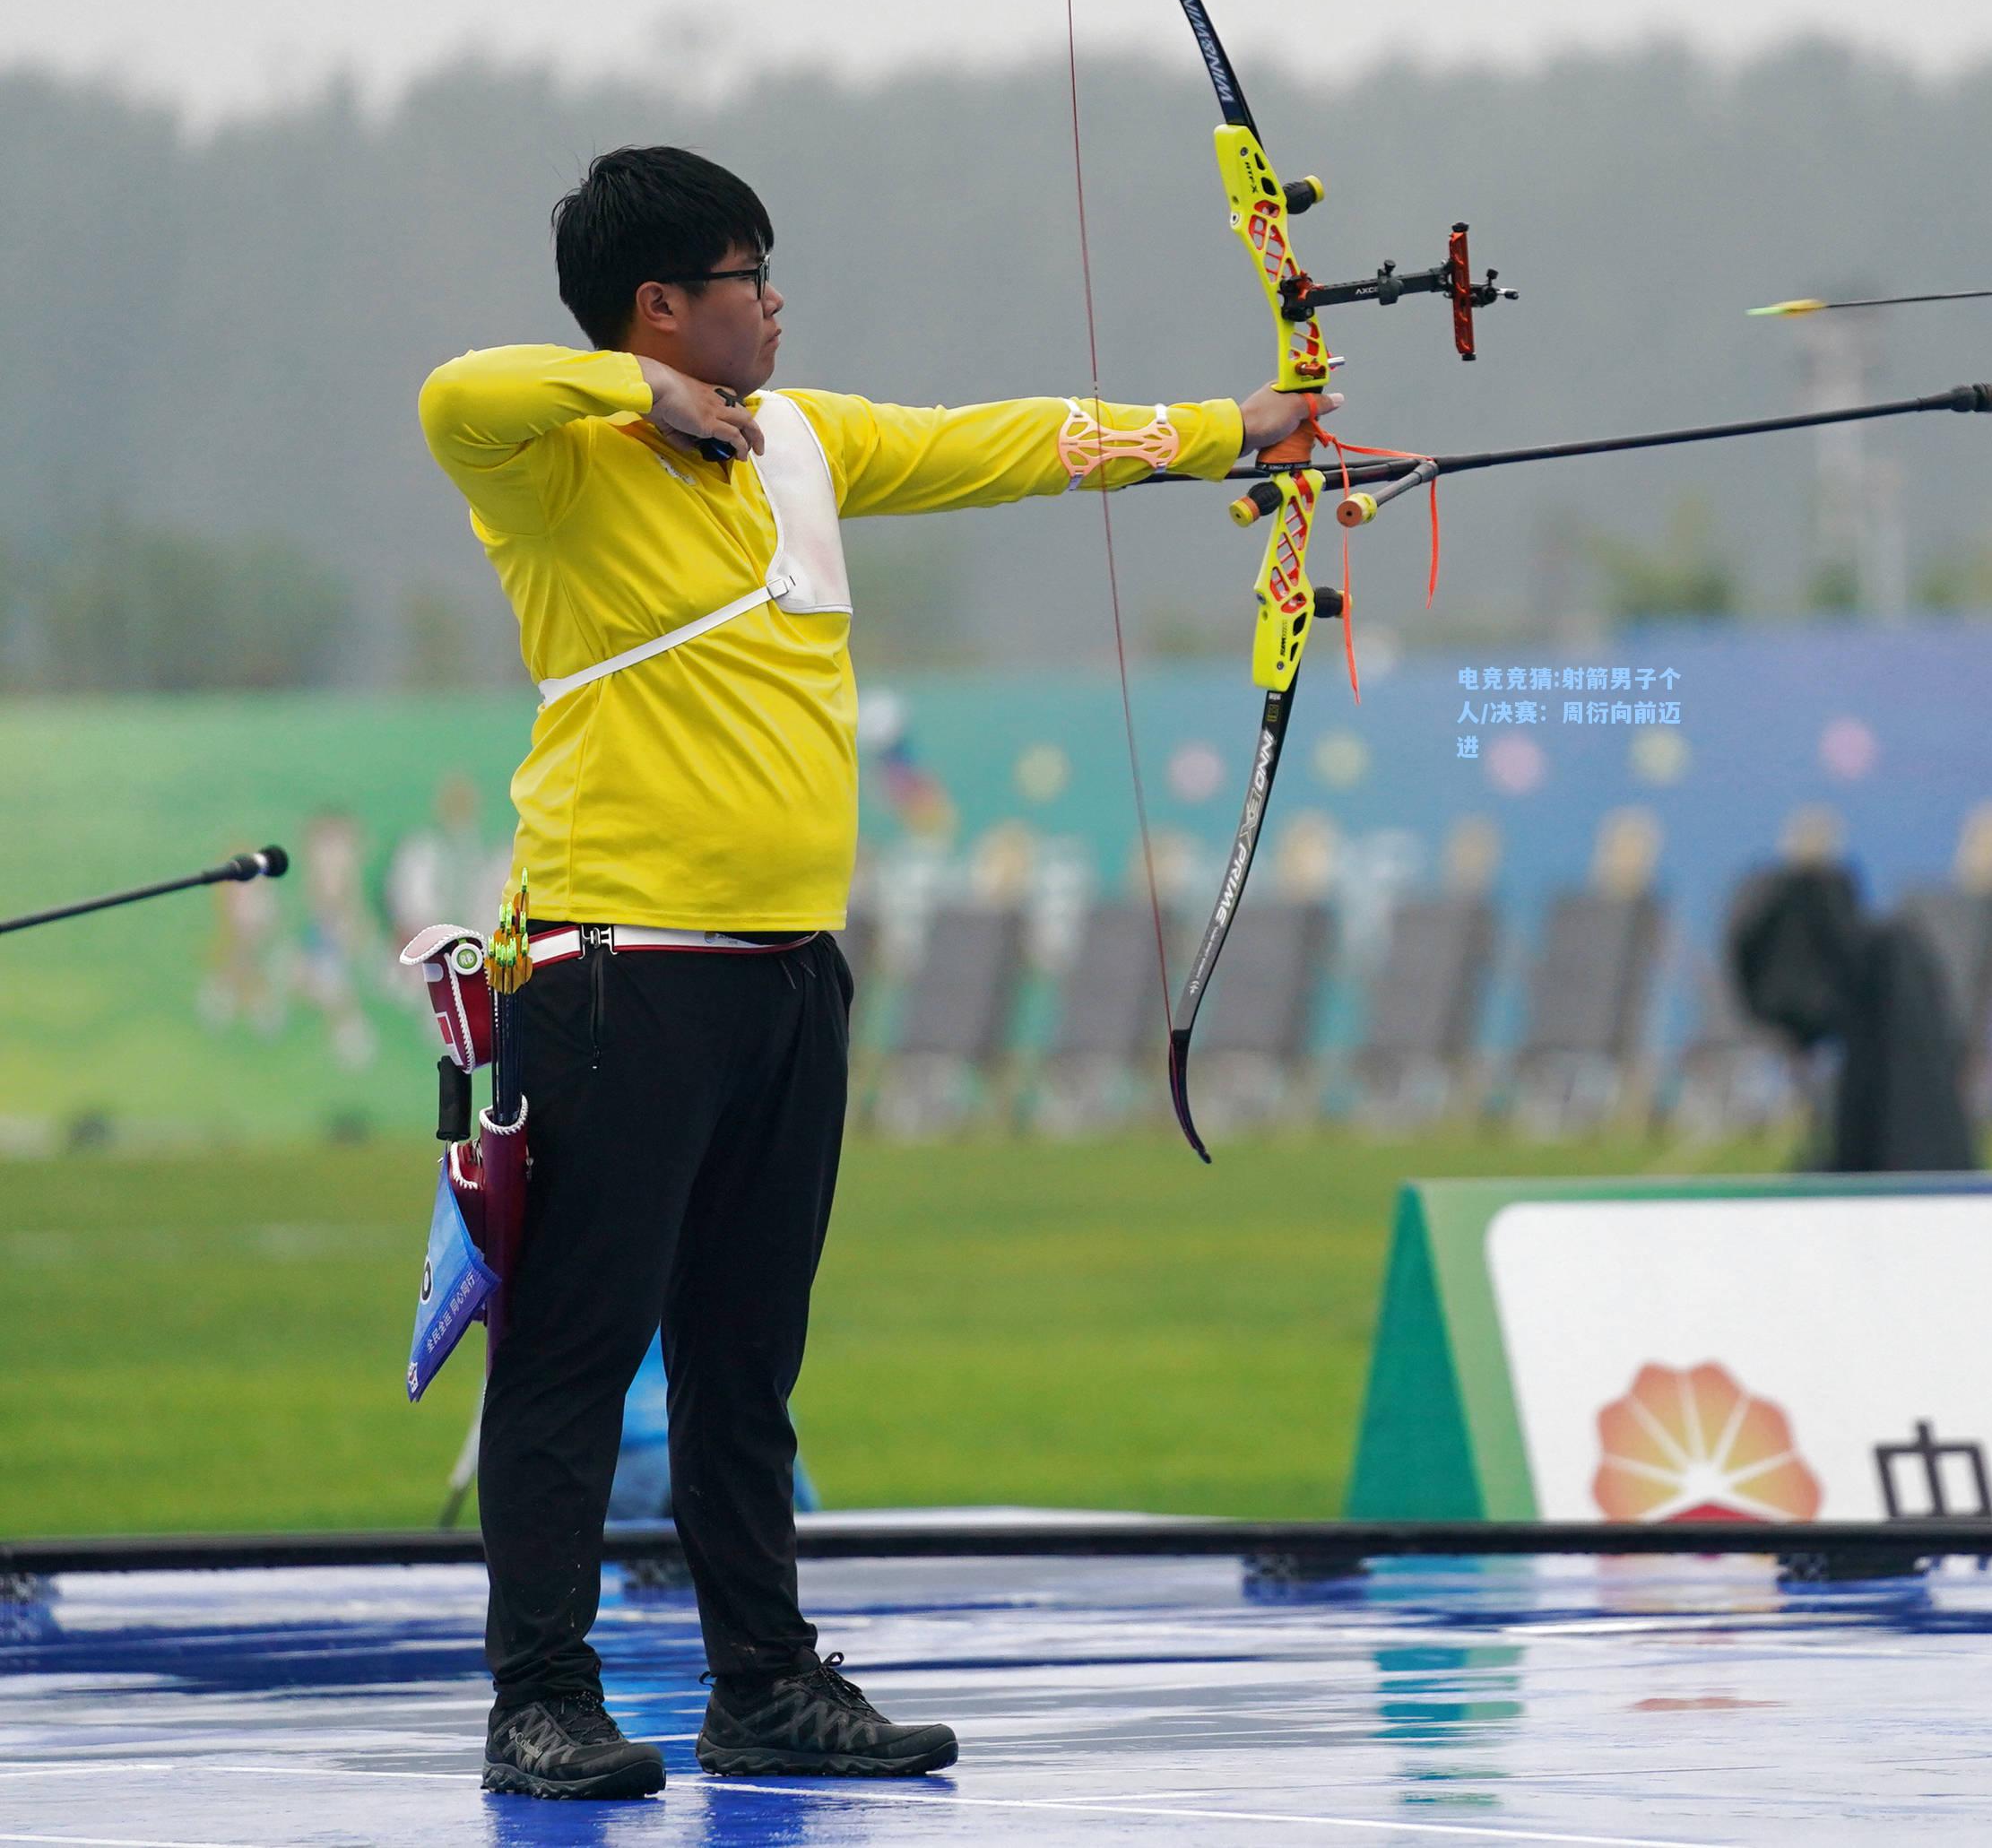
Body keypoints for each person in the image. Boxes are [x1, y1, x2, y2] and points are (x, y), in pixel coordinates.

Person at [420, 145, 1329, 1800]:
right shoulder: (554, 463)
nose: (775, 302)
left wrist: (1233, 432)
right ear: (661, 306)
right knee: (569, 1354)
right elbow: (453, 388)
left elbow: (1009, 443)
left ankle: (760, 1682)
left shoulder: (810, 443)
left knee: (746, 1361)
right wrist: (650, 398)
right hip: (615, 975)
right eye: (747, 275)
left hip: (783, 983)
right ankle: (536, 1700)